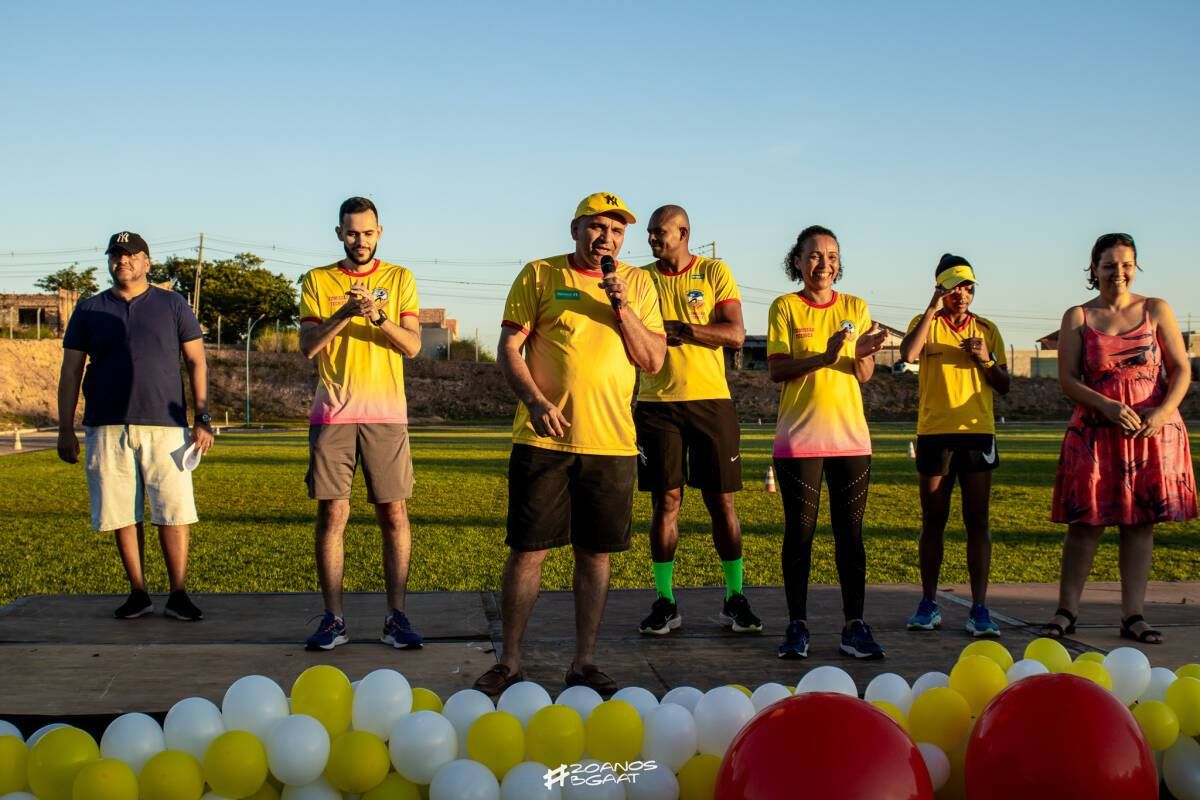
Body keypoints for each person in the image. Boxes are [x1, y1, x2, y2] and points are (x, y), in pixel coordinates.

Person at [472, 192, 666, 697]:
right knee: (528, 552)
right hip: (544, 439)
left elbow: (652, 361)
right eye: (598, 227)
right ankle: (511, 661)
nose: (608, 238)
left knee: (596, 555)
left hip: (612, 444)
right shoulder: (540, 275)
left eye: (617, 231)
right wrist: (535, 401)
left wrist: (623, 307)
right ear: (576, 229)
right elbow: (509, 348)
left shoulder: (639, 284)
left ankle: (584, 661)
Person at [1042, 233, 1195, 644]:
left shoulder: (1156, 309)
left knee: (1139, 525)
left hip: (1151, 432)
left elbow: (1181, 369)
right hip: (1095, 433)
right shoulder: (1077, 316)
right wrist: (1107, 406)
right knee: (1085, 525)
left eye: (1126, 264)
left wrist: (1162, 414)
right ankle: (1066, 611)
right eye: (1109, 265)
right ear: (1093, 269)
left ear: (1136, 266)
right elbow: (1068, 380)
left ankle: (1133, 616)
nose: (1118, 273)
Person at [57, 231, 214, 621]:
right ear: (109, 261)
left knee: (173, 511)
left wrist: (203, 416)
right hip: (107, 426)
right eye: (116, 255)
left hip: (167, 424)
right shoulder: (90, 309)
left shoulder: (172, 304)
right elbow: (71, 370)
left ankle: (178, 592)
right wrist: (65, 427)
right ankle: (138, 591)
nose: (122, 261)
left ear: (147, 262)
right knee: (121, 512)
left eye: (131, 255)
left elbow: (196, 361)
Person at [298, 196, 424, 651]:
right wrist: (344, 314)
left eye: (368, 233)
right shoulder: (317, 280)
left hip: (386, 414)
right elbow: (308, 345)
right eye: (352, 233)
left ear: (379, 233)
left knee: (394, 512)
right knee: (332, 513)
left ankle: (397, 617)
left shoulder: (399, 278)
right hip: (332, 413)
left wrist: (379, 316)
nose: (360, 241)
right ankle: (334, 620)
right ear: (339, 234)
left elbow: (412, 346)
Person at [635, 205, 760, 635]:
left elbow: (736, 334)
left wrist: (683, 330)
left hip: (711, 402)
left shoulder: (713, 272)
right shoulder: (640, 278)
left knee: (721, 501)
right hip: (655, 404)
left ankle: (735, 597)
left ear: (684, 232)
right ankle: (666, 601)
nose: (652, 238)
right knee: (665, 501)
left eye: (660, 231)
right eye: (650, 232)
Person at [767, 225, 888, 660]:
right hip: (799, 441)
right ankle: (797, 626)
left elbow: (863, 373)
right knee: (799, 534)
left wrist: (866, 351)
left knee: (850, 537)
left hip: (851, 440)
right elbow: (777, 371)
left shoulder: (855, 306)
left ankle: (853, 625)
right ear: (797, 262)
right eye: (814, 255)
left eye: (832, 256)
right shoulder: (785, 306)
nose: (824, 263)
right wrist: (826, 354)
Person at [899, 255, 1011, 637]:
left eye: (967, 287)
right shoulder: (924, 324)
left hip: (977, 433)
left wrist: (986, 358)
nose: (961, 294)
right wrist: (931, 307)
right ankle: (928, 602)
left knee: (977, 522)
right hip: (934, 434)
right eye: (953, 288)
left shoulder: (987, 329)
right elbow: (908, 355)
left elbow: (1004, 384)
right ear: (940, 289)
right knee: (933, 521)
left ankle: (980, 607)